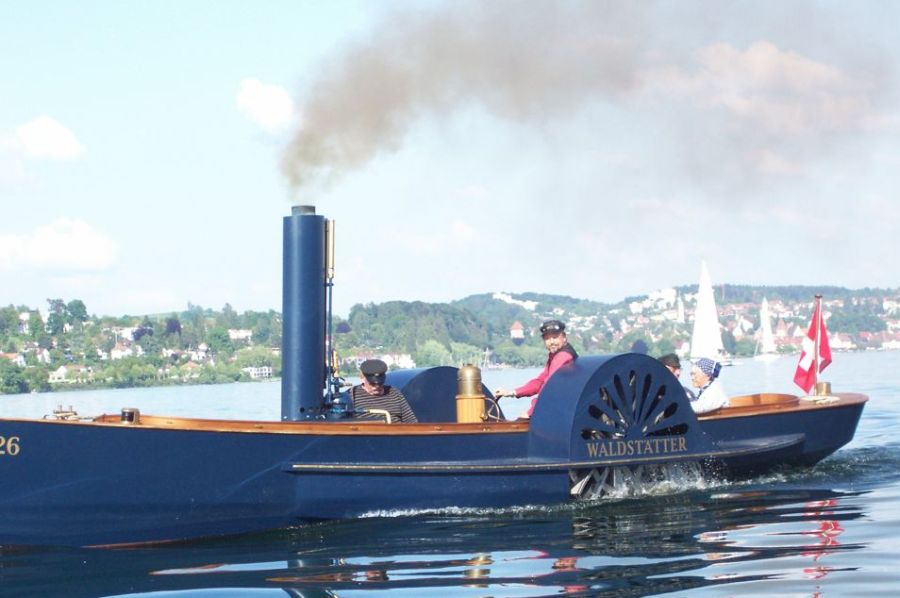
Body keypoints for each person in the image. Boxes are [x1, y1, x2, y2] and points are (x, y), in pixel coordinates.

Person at [494, 320, 578, 418]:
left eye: (555, 338)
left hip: (564, 412)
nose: (551, 342)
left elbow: (548, 388)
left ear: (564, 337)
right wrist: (511, 392)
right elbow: (540, 381)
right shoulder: (554, 355)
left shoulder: (562, 357)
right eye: (547, 339)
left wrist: (530, 413)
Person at [350, 359, 417, 423]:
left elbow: (411, 421)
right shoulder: (352, 395)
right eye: (372, 383)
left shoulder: (394, 393)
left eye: (380, 383)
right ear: (362, 378)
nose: (377, 387)